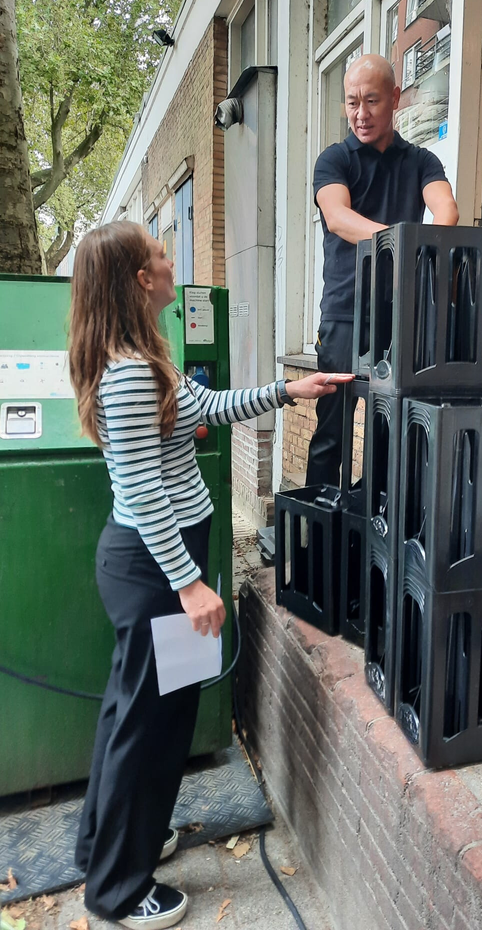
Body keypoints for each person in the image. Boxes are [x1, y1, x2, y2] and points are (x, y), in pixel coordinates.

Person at [68, 220, 352, 930]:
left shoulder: (144, 358)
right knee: (150, 725)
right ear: (141, 280)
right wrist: (190, 583)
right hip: (155, 569)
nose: (171, 262)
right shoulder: (131, 373)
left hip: (157, 565)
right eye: (161, 255)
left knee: (135, 714)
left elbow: (213, 408)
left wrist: (291, 392)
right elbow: (143, 493)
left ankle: (111, 844)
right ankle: (117, 889)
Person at [306, 53, 459, 487]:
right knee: (331, 432)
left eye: (371, 101)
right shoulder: (334, 160)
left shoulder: (422, 161)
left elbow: (447, 212)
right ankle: (317, 527)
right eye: (352, 102)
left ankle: (374, 517)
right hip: (344, 315)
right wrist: (404, 240)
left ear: (395, 97)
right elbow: (338, 218)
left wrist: (422, 243)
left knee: (389, 431)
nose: (360, 114)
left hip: (399, 318)